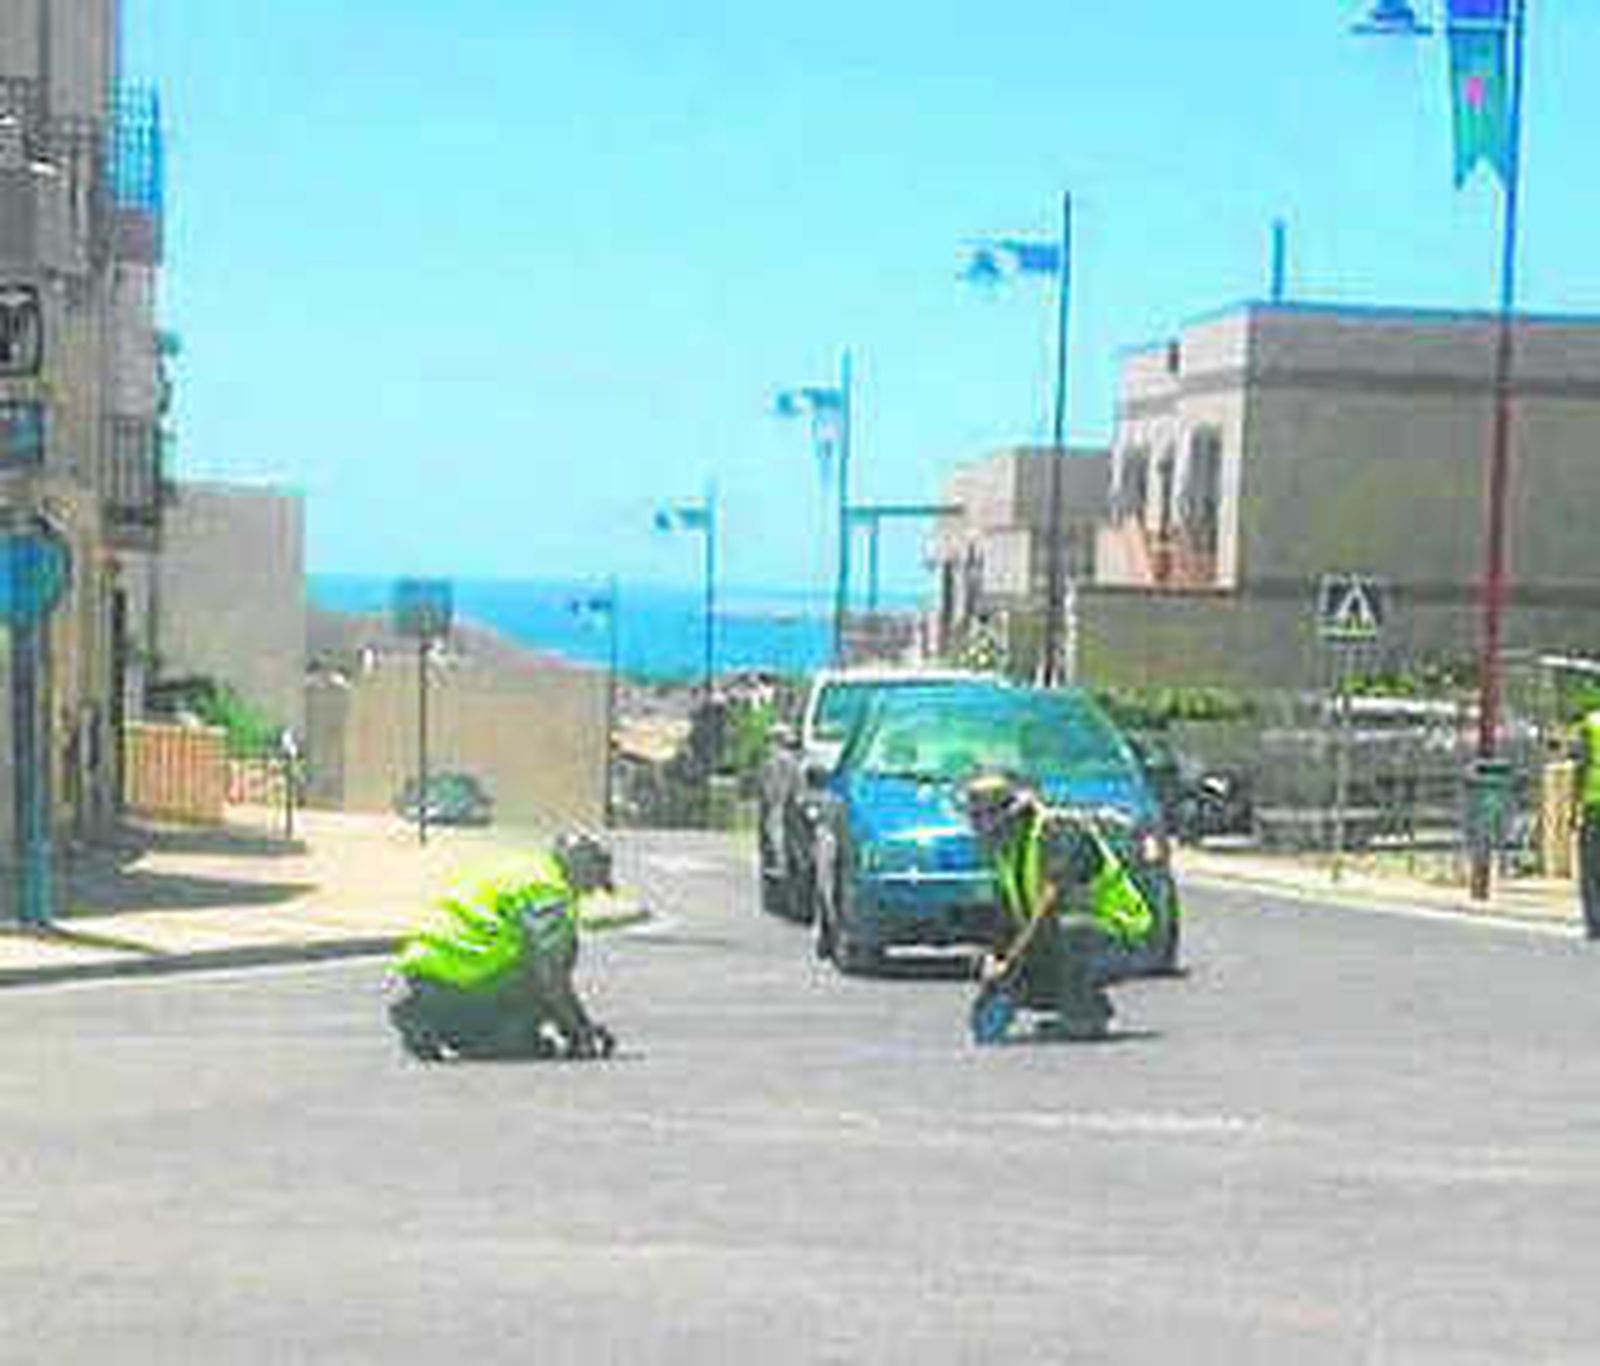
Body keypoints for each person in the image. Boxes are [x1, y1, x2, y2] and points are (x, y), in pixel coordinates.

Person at [388, 831, 617, 1059]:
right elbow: (551, 976)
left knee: (539, 949)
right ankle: (505, 1035)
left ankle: (426, 1017)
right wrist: (579, 1030)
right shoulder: (550, 891)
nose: (590, 892)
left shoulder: (520, 870)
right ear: (582, 869)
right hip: (469, 978)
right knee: (562, 950)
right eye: (593, 882)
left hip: (422, 970)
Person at [966, 773, 1154, 1042]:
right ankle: (1085, 1003)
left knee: (1068, 932)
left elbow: (1049, 904)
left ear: (1006, 816)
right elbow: (1008, 920)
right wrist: (994, 962)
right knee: (1008, 964)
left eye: (981, 819)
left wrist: (1011, 960)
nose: (978, 829)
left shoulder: (1058, 832)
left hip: (1127, 937)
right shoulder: (1008, 853)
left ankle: (1084, 1016)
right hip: (1067, 934)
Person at [1572, 708, 1600, 940]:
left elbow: (1581, 766)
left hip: (1594, 804)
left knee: (1591, 868)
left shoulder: (1592, 722)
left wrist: (1574, 805)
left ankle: (1594, 925)